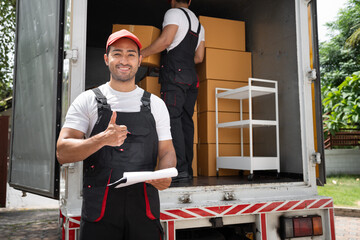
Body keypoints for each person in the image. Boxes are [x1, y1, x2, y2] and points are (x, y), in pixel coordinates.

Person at [56, 29, 176, 240]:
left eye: (131, 54)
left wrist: (165, 173)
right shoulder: (87, 100)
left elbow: (167, 151)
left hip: (144, 207)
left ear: (140, 60)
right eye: (117, 53)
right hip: (100, 210)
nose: (124, 60)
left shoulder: (156, 105)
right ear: (106, 58)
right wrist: (101, 139)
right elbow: (62, 152)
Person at [141, 0, 205, 181]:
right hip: (191, 79)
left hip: (174, 78)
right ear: (190, 1)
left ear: (172, 1)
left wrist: (141, 54)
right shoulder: (200, 25)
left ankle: (178, 169)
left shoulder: (173, 13)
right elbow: (199, 57)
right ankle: (187, 171)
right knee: (186, 122)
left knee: (172, 120)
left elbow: (166, 41)